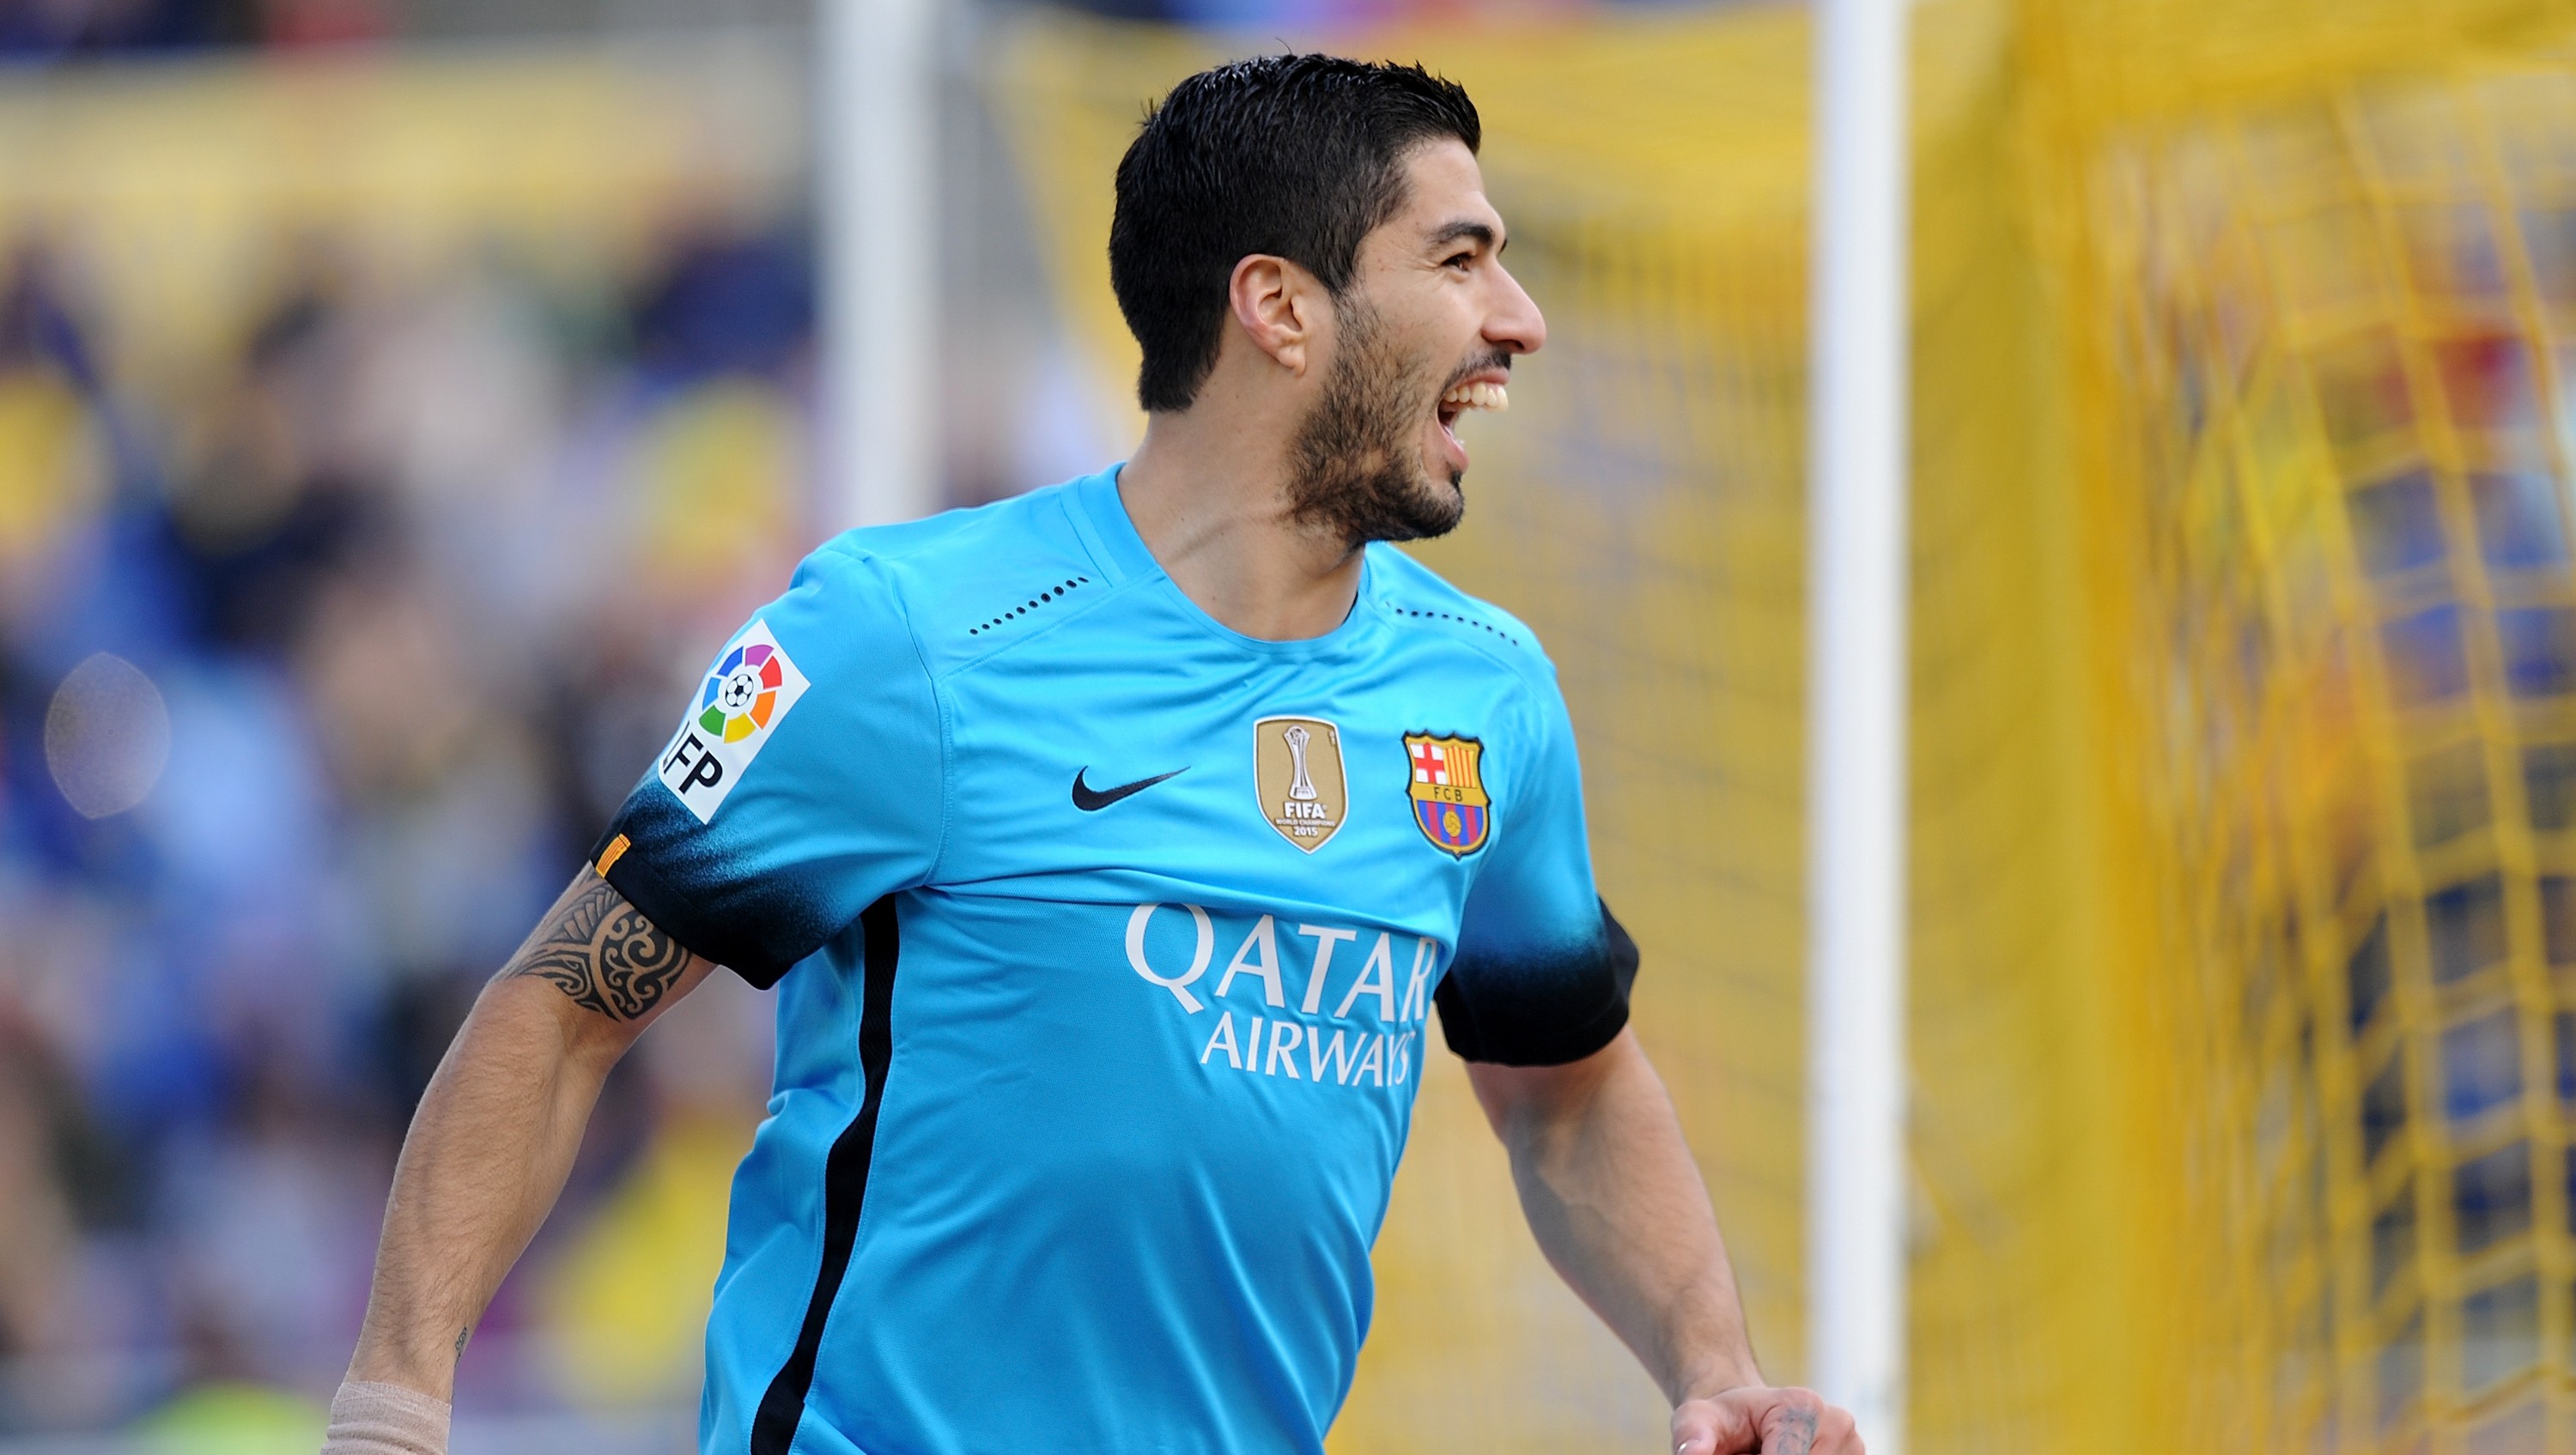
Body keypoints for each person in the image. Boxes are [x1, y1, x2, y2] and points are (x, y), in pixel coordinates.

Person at [323, 54, 1862, 1455]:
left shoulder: (1486, 696)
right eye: (1459, 261)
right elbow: (564, 1010)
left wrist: (1712, 1367)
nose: (1518, 318)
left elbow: (1568, 1093)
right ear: (1280, 308)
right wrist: (395, 1404)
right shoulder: (898, 635)